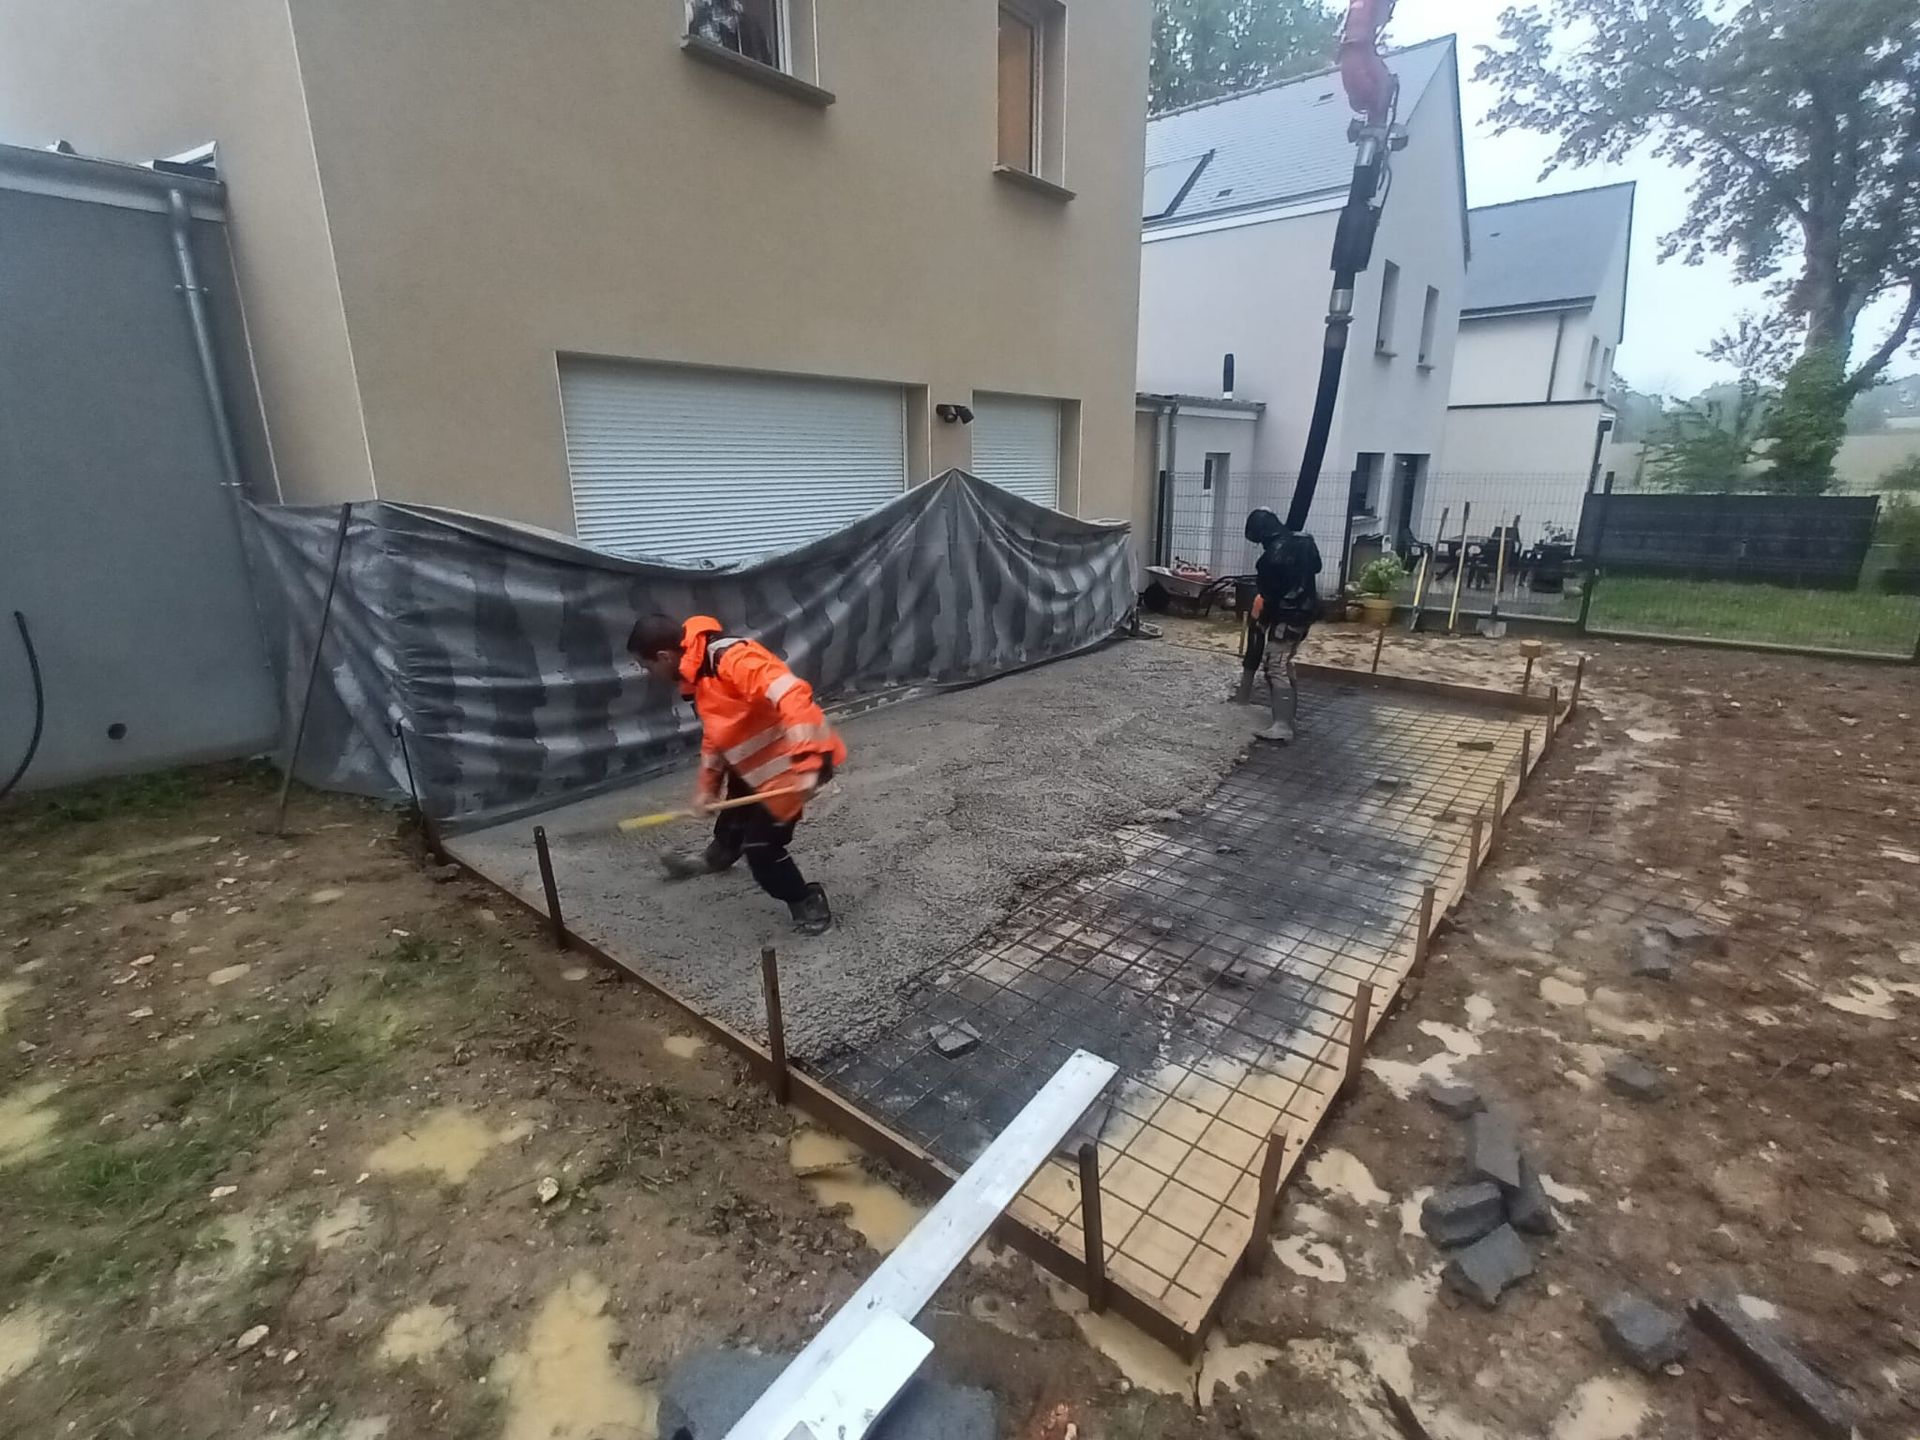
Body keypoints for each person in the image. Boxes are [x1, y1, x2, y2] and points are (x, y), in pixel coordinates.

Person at [627, 614, 845, 935]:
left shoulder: (732, 658)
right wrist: (707, 789)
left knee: (761, 848)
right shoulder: (697, 675)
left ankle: (804, 898)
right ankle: (719, 856)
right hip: (759, 762)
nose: (650, 675)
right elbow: (717, 737)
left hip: (795, 763)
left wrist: (809, 764)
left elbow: (792, 695)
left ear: (664, 656)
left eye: (648, 667)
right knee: (734, 814)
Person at [1238, 508, 1322, 743]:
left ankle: (1282, 726)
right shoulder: (1305, 541)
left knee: (1276, 665)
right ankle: (1287, 718)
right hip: (1306, 613)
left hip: (1288, 616)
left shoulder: (1269, 560)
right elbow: (1316, 568)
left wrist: (1261, 618)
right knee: (1285, 662)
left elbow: (1270, 596)